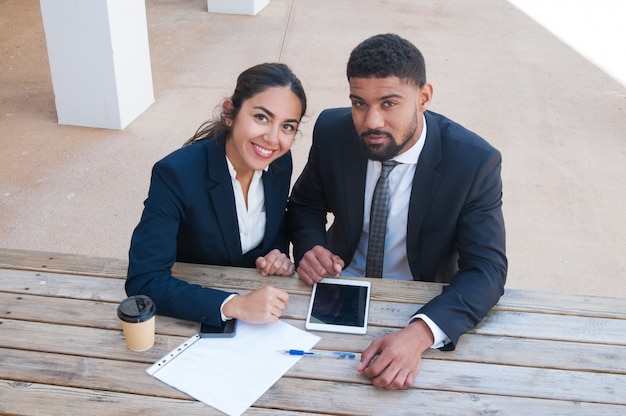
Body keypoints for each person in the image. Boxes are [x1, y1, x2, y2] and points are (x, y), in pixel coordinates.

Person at [287, 34, 507, 390]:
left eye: (389, 103)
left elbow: (487, 270)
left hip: (421, 300)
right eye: (359, 103)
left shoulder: (473, 162)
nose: (371, 121)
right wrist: (312, 247)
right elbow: (305, 205)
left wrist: (420, 334)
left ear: (423, 98)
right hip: (337, 286)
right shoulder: (332, 132)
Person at [126, 62, 307, 328]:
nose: (272, 138)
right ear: (229, 113)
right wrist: (233, 305)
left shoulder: (279, 161)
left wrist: (277, 252)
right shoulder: (175, 175)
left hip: (264, 312)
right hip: (192, 316)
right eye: (261, 117)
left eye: (287, 126)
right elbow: (145, 280)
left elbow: (276, 222)